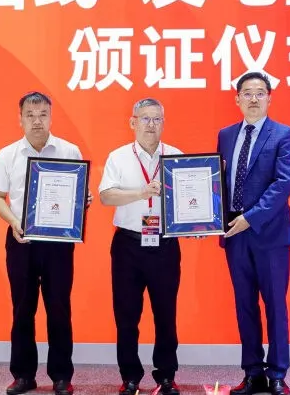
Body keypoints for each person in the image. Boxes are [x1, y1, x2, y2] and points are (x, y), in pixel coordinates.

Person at [0, 91, 91, 395]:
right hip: (21, 239)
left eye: (43, 114)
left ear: (51, 117)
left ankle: (61, 375)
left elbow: (78, 193)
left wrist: (82, 200)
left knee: (59, 308)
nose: (37, 120)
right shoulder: (7, 154)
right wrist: (13, 221)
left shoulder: (69, 151)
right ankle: (23, 375)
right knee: (22, 309)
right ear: (20, 119)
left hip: (58, 244)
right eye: (30, 115)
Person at [217, 72, 290, 395]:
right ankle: (252, 373)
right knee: (245, 306)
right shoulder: (225, 135)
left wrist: (250, 219)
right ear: (237, 99)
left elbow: (283, 183)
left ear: (269, 98)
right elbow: (218, 182)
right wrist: (209, 218)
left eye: (260, 93)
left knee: (275, 305)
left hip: (270, 234)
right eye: (247, 93)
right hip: (234, 234)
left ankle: (277, 373)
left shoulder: (284, 135)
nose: (253, 99)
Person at [99, 98, 184, 395]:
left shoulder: (176, 156)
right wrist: (141, 192)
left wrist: (197, 224)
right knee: (126, 316)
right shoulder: (118, 157)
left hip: (165, 245)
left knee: (166, 315)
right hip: (128, 245)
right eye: (145, 118)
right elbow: (106, 196)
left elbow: (188, 200)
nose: (151, 124)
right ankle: (130, 376)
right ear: (132, 122)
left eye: (157, 119)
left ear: (163, 123)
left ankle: (166, 376)